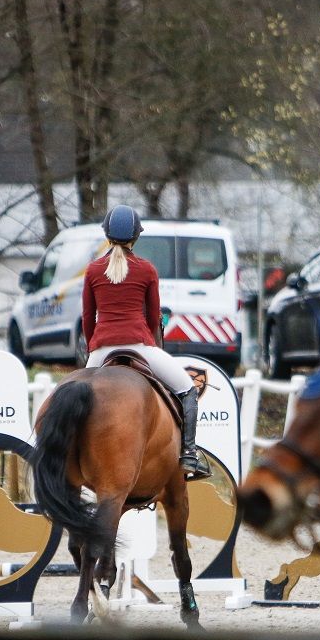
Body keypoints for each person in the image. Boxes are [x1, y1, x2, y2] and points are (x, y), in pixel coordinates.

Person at [82, 205, 212, 481]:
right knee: (187, 389)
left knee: (75, 396)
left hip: (101, 349)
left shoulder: (93, 271)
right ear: (136, 238)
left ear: (106, 235)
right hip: (140, 345)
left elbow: (86, 317)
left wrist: (94, 346)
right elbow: (154, 317)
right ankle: (189, 453)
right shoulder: (147, 269)